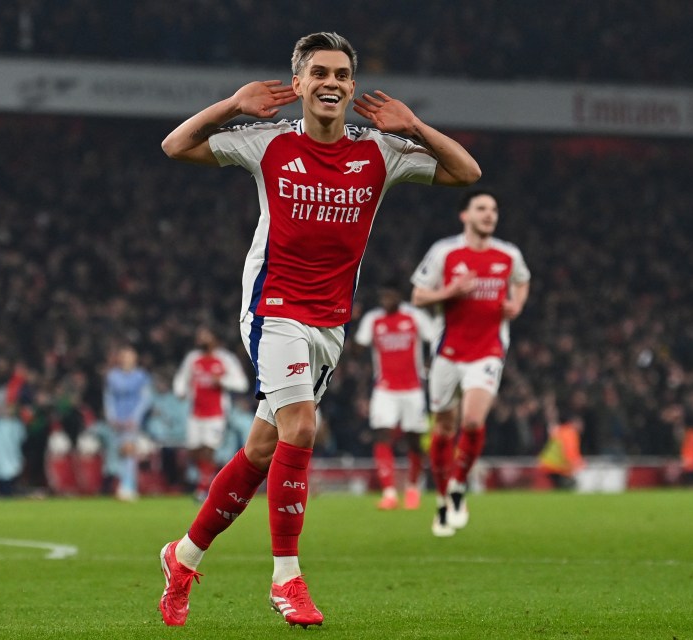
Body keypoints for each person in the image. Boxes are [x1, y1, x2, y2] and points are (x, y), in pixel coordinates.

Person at [157, 31, 480, 628]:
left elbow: (467, 171)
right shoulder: (269, 142)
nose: (331, 83)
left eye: (341, 75)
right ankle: (287, 579)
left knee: (262, 447)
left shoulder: (379, 151)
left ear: (351, 87)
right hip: (272, 306)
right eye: (319, 73)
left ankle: (183, 555)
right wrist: (232, 105)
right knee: (302, 427)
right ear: (299, 84)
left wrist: (415, 127)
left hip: (329, 321)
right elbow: (176, 145)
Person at [410, 190, 530, 537]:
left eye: (493, 209)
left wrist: (516, 305)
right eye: (481, 208)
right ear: (465, 215)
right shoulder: (445, 252)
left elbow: (522, 281)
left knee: (473, 421)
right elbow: (418, 294)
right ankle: (443, 497)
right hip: (448, 352)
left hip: (489, 349)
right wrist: (449, 292)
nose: (489, 214)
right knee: (444, 429)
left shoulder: (508, 254)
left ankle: (460, 485)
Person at [354, 283, 438, 511]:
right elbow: (357, 349)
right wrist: (351, 321)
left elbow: (435, 340)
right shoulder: (373, 320)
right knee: (381, 435)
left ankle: (412, 488)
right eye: (383, 296)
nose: (386, 299)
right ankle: (389, 493)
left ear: (400, 296)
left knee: (413, 439)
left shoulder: (415, 317)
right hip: (384, 389)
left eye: (390, 294)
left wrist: (431, 363)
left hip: (413, 388)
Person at [173, 326, 249, 501]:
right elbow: (182, 378)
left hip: (217, 413)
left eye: (205, 335)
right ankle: (208, 483)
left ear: (214, 338)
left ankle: (203, 489)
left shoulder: (226, 359)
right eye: (199, 336)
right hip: (195, 412)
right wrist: (180, 390)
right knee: (194, 451)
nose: (201, 339)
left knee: (209, 450)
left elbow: (241, 383)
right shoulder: (193, 358)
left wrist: (222, 381)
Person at [103, 345, 152, 501]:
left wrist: (135, 418)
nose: (126, 360)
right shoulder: (112, 376)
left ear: (135, 359)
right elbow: (108, 398)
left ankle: (128, 486)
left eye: (129, 356)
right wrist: (111, 417)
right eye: (123, 356)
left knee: (129, 450)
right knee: (118, 453)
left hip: (132, 421)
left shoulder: (141, 376)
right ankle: (123, 484)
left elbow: (145, 399)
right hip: (117, 420)